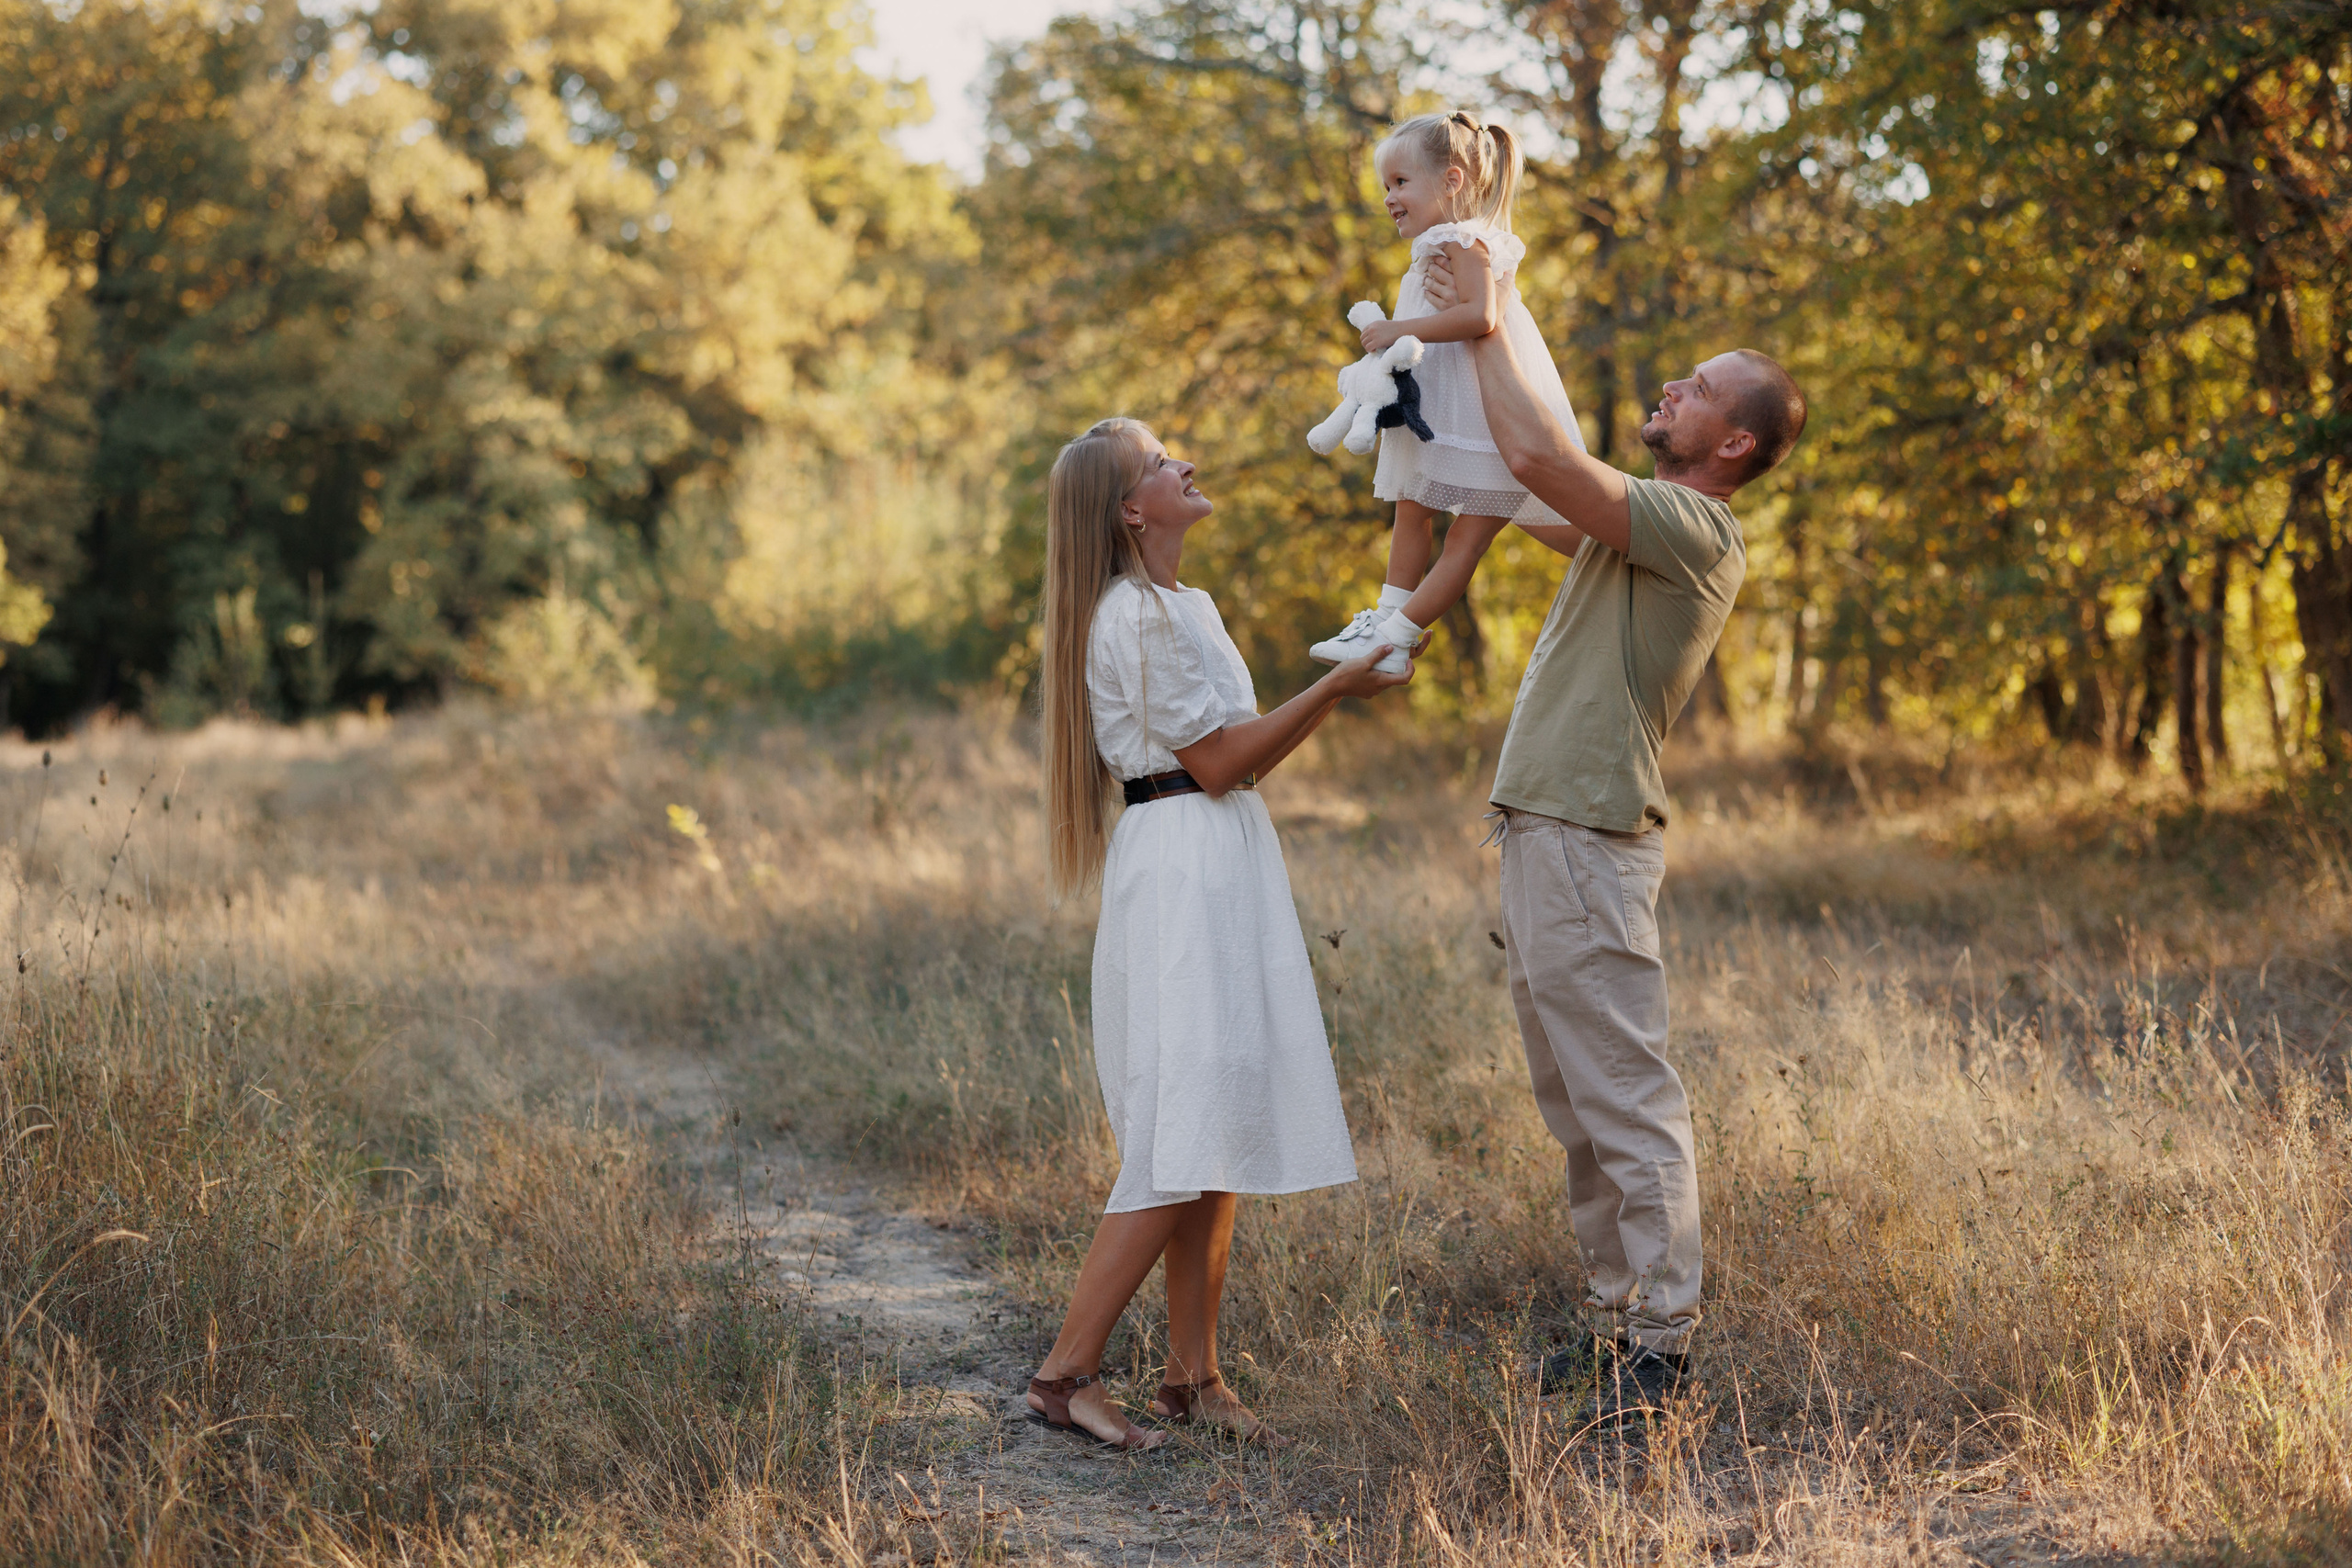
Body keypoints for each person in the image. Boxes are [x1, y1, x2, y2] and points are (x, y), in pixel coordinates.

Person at [1425, 244, 1808, 1415]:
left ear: (1731, 444)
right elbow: (1511, 479)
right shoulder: (1629, 529)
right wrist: (1456, 340)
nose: (1671, 388)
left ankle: (1662, 1348)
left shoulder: (1694, 528)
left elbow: (1541, 456)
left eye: (1698, 388)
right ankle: (1615, 1319)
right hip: (1547, 837)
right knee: (1577, 1103)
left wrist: (1488, 309)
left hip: (1587, 841)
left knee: (1625, 1095)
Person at [1032, 417, 1414, 1450]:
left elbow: (1237, 758)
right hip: (1184, 860)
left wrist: (1339, 684)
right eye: (1162, 462)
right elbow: (1213, 764)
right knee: (1180, 1126)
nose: (1187, 463)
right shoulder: (1132, 615)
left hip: (1222, 851)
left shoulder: (1182, 604)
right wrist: (1337, 683)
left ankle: (1193, 1378)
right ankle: (1065, 1375)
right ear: (1130, 510)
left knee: (1216, 1123)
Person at [1306, 109, 1585, 678]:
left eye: (1400, 182)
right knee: (1410, 511)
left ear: (1452, 180)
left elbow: (1481, 316)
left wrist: (1397, 331)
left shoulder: (1465, 239)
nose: (1389, 198)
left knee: (1468, 534)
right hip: (1440, 411)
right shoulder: (1437, 243)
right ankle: (1385, 623)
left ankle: (1397, 638)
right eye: (1386, 186)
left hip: (1483, 414)